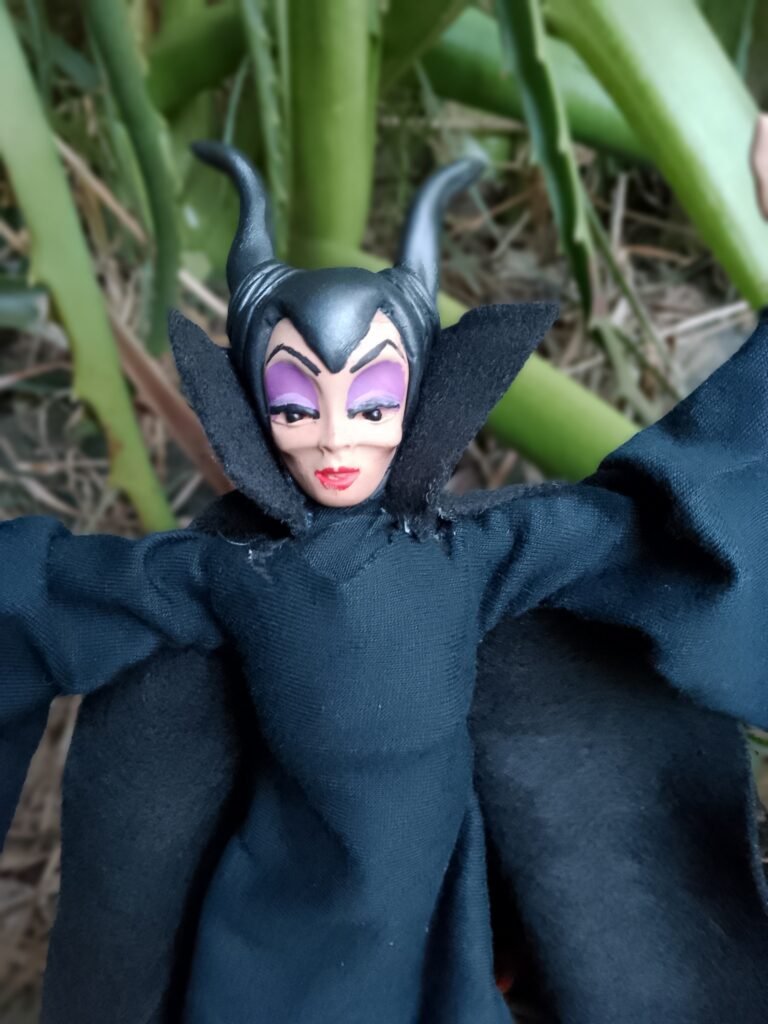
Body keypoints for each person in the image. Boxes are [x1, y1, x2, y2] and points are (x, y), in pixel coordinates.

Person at [2, 143, 767, 1023]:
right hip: (287, 891)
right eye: (296, 407)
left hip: (438, 890)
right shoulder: (234, 575)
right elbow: (52, 590)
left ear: (419, 397)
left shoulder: (471, 557)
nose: (336, 438)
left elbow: (669, 512)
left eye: (371, 405)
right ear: (251, 407)